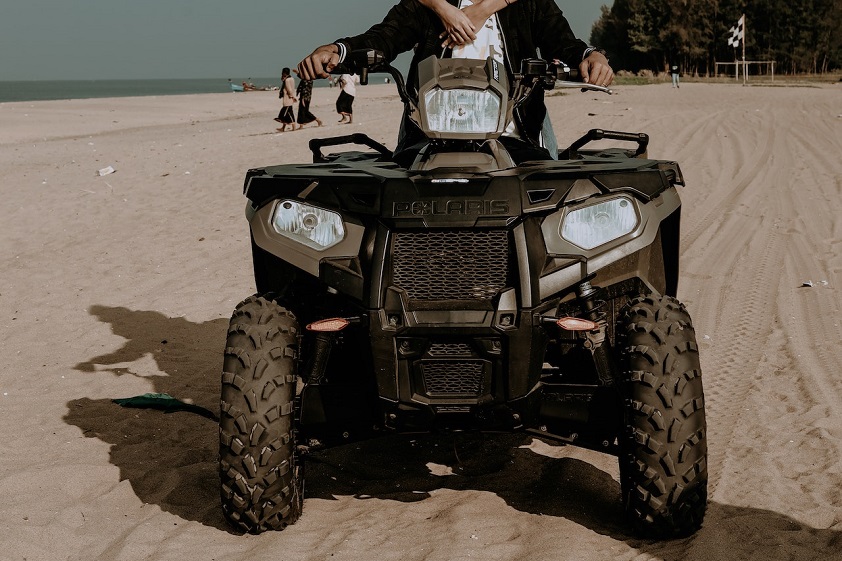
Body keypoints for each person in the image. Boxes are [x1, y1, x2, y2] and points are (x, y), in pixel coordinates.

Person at [297, 0, 613, 163]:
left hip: (518, 128)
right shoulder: (429, 7)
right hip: (429, 132)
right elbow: (382, 38)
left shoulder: (530, 4)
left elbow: (564, 41)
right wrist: (337, 50)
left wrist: (593, 56)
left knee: (551, 200)